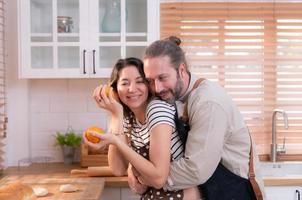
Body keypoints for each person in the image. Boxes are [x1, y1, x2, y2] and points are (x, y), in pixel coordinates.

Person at [128, 36, 266, 200]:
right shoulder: (172, 96)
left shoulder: (208, 102)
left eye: (162, 78)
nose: (157, 88)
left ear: (181, 70)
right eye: (150, 80)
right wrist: (136, 167)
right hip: (211, 191)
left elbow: (196, 169)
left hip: (234, 192)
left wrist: (148, 177)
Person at [84, 57, 201, 200]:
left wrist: (117, 141)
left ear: (148, 85)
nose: (132, 89)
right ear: (115, 89)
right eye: (125, 83)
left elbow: (158, 178)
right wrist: (116, 115)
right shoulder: (129, 119)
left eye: (140, 81)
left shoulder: (157, 109)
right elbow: (118, 169)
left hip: (179, 194)